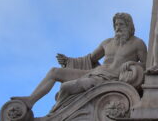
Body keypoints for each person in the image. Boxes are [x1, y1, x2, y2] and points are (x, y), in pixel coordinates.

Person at [13, 13, 146, 110]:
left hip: (108, 80)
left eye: (121, 24)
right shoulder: (107, 43)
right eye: (116, 24)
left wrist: (134, 64)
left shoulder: (137, 44)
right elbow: (90, 59)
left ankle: (57, 112)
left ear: (129, 26)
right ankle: (31, 100)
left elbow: (147, 66)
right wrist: (69, 60)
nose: (118, 28)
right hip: (94, 72)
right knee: (54, 72)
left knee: (66, 87)